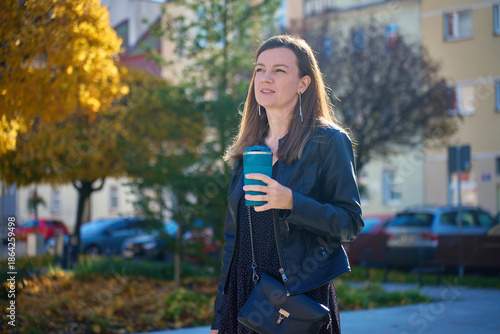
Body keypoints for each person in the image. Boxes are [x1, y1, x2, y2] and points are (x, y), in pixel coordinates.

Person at [210, 35, 364, 334]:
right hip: (244, 300)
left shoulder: (328, 141)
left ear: (303, 84)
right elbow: (233, 242)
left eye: (279, 70)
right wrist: (219, 316)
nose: (265, 78)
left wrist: (292, 202)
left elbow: (350, 222)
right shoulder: (249, 150)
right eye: (260, 69)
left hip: (298, 301)